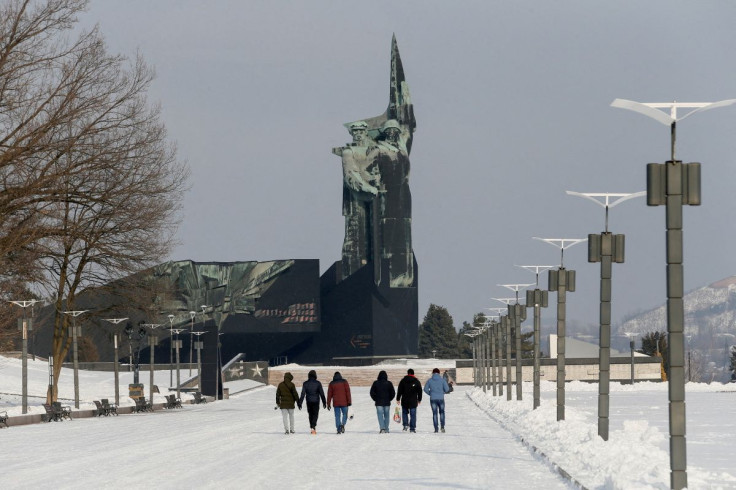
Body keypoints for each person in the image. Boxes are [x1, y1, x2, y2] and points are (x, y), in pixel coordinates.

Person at [299, 370, 327, 435]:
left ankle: (312, 426)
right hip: (316, 401)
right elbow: (321, 393)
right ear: (315, 376)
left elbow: (302, 394)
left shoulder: (305, 383)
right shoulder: (318, 383)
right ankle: (313, 426)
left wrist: (300, 403)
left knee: (310, 414)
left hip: (308, 401)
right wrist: (324, 402)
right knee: (315, 414)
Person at [424, 368, 452, 433]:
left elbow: (425, 389)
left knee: (434, 413)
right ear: (439, 373)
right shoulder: (442, 380)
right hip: (441, 398)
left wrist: (430, 393)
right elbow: (447, 389)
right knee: (442, 412)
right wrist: (443, 392)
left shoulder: (429, 380)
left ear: (433, 373)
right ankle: (442, 427)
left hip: (433, 399)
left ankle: (436, 428)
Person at [396, 368, 422, 432]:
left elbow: (399, 390)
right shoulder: (416, 381)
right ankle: (412, 428)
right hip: (413, 400)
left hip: (404, 400)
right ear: (413, 374)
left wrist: (398, 398)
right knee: (413, 414)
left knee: (404, 413)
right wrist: (419, 399)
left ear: (408, 373)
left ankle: (405, 425)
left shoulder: (403, 380)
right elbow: (420, 391)